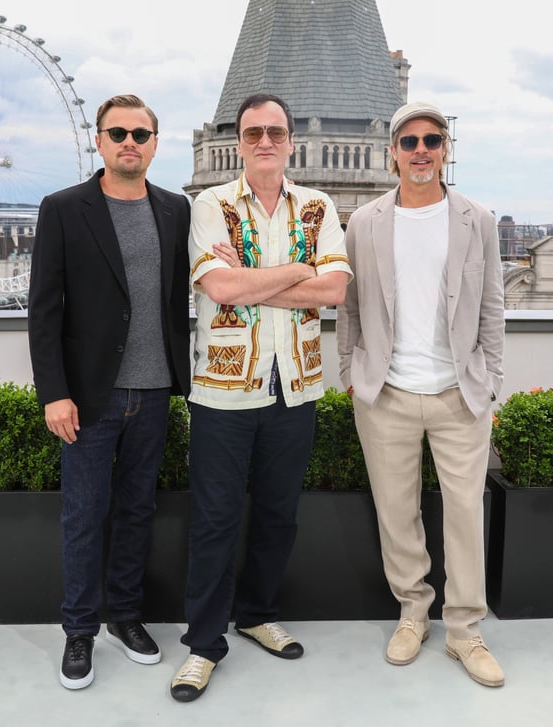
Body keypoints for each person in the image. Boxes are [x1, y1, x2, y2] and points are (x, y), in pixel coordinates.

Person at [169, 93, 352, 702]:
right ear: (240, 141)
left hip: (295, 386)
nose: (265, 141)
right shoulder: (209, 205)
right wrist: (298, 270)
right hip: (222, 389)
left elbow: (334, 294)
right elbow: (218, 285)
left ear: (291, 141)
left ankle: (255, 613)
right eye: (254, 133)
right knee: (216, 520)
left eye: (275, 131)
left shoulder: (318, 205)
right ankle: (202, 645)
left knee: (278, 515)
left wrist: (254, 285)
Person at [336, 101, 506, 687]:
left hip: (461, 395)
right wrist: (351, 376)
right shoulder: (364, 222)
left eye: (433, 140)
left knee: (464, 513)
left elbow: (492, 307)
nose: (421, 151)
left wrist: (491, 383)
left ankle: (465, 631)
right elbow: (350, 310)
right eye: (409, 142)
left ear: (446, 149)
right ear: (393, 153)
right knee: (396, 513)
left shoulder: (476, 219)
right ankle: (414, 613)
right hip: (386, 394)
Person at [27, 94, 191, 690]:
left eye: (141, 134)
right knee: (82, 515)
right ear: (98, 140)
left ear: (154, 143)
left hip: (155, 390)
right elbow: (43, 311)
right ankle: (79, 630)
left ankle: (125, 615)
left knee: (137, 511)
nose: (130, 142)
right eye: (117, 132)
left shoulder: (176, 210)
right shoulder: (64, 209)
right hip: (90, 396)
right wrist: (54, 392)